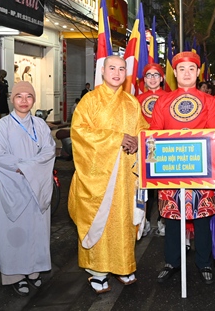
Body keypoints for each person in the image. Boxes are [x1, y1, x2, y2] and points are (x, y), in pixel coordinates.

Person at [68, 56, 149, 294]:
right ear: (102, 71)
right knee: (99, 220)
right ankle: (98, 271)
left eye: (121, 69)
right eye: (112, 68)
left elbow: (143, 130)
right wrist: (116, 139)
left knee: (124, 220)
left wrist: (138, 143)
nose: (116, 72)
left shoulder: (131, 102)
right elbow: (79, 132)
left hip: (125, 175)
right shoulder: (90, 100)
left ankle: (123, 266)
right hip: (99, 176)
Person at [150, 51, 215, 286]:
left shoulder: (209, 101)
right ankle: (172, 262)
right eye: (182, 69)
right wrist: (152, 169)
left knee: (202, 220)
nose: (187, 73)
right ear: (175, 73)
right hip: (170, 169)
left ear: (198, 72)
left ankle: (204, 262)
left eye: (191, 69)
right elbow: (153, 135)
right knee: (172, 219)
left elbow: (214, 134)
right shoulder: (163, 101)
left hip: (201, 170)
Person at [0, 81, 56, 296]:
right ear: (12, 99)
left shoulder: (40, 125)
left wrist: (29, 168)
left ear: (34, 100)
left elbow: (49, 151)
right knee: (14, 234)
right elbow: (0, 157)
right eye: (19, 96)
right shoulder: (2, 126)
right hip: (12, 185)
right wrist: (27, 167)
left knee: (36, 231)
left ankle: (34, 270)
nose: (24, 101)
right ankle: (14, 275)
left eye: (28, 96)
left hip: (37, 186)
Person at [136, 63, 167, 237]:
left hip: (163, 146)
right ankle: (144, 220)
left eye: (156, 75)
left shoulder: (170, 98)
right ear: (145, 80)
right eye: (149, 75)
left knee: (163, 186)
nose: (153, 78)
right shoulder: (137, 100)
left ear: (162, 78)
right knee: (144, 186)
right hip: (144, 146)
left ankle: (163, 219)